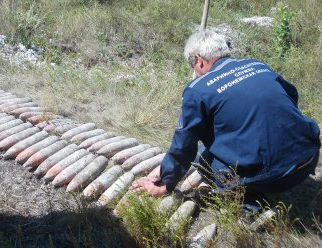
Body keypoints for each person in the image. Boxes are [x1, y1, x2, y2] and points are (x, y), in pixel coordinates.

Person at [130, 30, 321, 203]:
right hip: (309, 156)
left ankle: (251, 204)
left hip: (274, 178)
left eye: (193, 66)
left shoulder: (197, 90)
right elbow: (292, 96)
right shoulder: (257, 65)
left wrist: (167, 182)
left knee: (203, 162)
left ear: (199, 60)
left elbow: (184, 145)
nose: (195, 73)